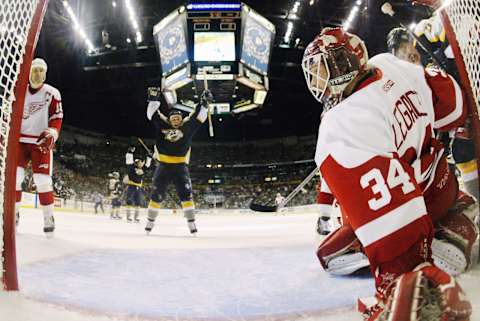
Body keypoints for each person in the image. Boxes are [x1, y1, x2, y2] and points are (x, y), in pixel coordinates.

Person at [302, 27, 473, 320]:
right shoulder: (388, 64)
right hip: (440, 185)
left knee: (330, 257)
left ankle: (419, 273)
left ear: (343, 65)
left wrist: (403, 269)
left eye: (321, 69)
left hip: (413, 204)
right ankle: (458, 215)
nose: (318, 79)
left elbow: (391, 214)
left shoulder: (343, 122)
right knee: (342, 250)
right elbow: (453, 106)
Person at [144, 87, 209, 235]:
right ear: (169, 119)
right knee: (156, 195)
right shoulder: (162, 124)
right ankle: (150, 223)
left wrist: (204, 103)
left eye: (178, 118)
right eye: (173, 118)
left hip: (180, 167)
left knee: (186, 194)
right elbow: (151, 114)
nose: (175, 120)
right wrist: (153, 100)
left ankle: (191, 224)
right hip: (164, 166)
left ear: (181, 120)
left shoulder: (187, 127)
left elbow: (199, 117)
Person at [15, 58, 63, 237]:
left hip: (40, 142)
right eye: (35, 70)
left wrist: (53, 132)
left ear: (45, 73)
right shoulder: (19, 90)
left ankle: (48, 217)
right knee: (15, 178)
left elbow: (56, 117)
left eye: (41, 71)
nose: (38, 74)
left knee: (42, 180)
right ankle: (14, 214)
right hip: (19, 141)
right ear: (29, 72)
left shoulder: (52, 93)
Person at [125, 147, 151, 222]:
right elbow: (129, 161)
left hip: (138, 187)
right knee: (129, 201)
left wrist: (149, 156)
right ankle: (128, 217)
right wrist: (130, 152)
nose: (142, 163)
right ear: (137, 162)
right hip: (131, 186)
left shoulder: (142, 169)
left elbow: (147, 165)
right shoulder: (131, 168)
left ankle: (136, 217)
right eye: (141, 162)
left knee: (138, 203)